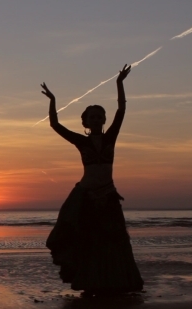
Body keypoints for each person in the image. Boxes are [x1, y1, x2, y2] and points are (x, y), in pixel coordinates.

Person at [41, 65, 144, 296]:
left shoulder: (111, 137)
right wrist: (53, 100)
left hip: (107, 195)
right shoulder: (81, 142)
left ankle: (116, 282)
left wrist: (119, 83)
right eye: (92, 117)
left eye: (99, 116)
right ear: (85, 122)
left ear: (104, 120)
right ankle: (90, 281)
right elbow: (55, 125)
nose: (96, 119)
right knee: (86, 239)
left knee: (113, 241)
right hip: (86, 195)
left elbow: (122, 110)